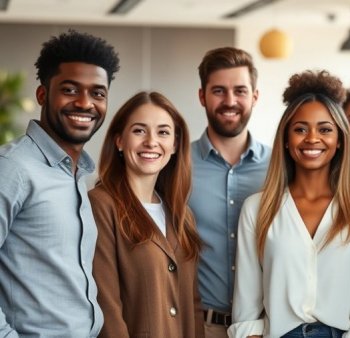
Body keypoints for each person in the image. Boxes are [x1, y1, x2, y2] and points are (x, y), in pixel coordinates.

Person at [228, 70, 350, 338]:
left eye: (325, 129)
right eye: (300, 129)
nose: (312, 138)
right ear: (287, 141)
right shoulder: (257, 208)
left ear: (339, 141)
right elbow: (246, 306)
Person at [0, 30, 119, 337]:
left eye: (98, 93)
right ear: (43, 94)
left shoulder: (80, 175)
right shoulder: (12, 168)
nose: (85, 103)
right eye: (70, 89)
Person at [89, 91, 204, 338]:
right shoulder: (101, 205)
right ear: (119, 140)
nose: (151, 142)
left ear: (174, 145)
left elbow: (193, 305)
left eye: (163, 132)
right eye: (139, 131)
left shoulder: (182, 216)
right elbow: (106, 303)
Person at [189, 47, 271, 337]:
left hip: (266, 327)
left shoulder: (281, 167)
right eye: (219, 91)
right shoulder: (176, 166)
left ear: (255, 96)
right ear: (202, 96)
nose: (230, 101)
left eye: (240, 91)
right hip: (200, 326)